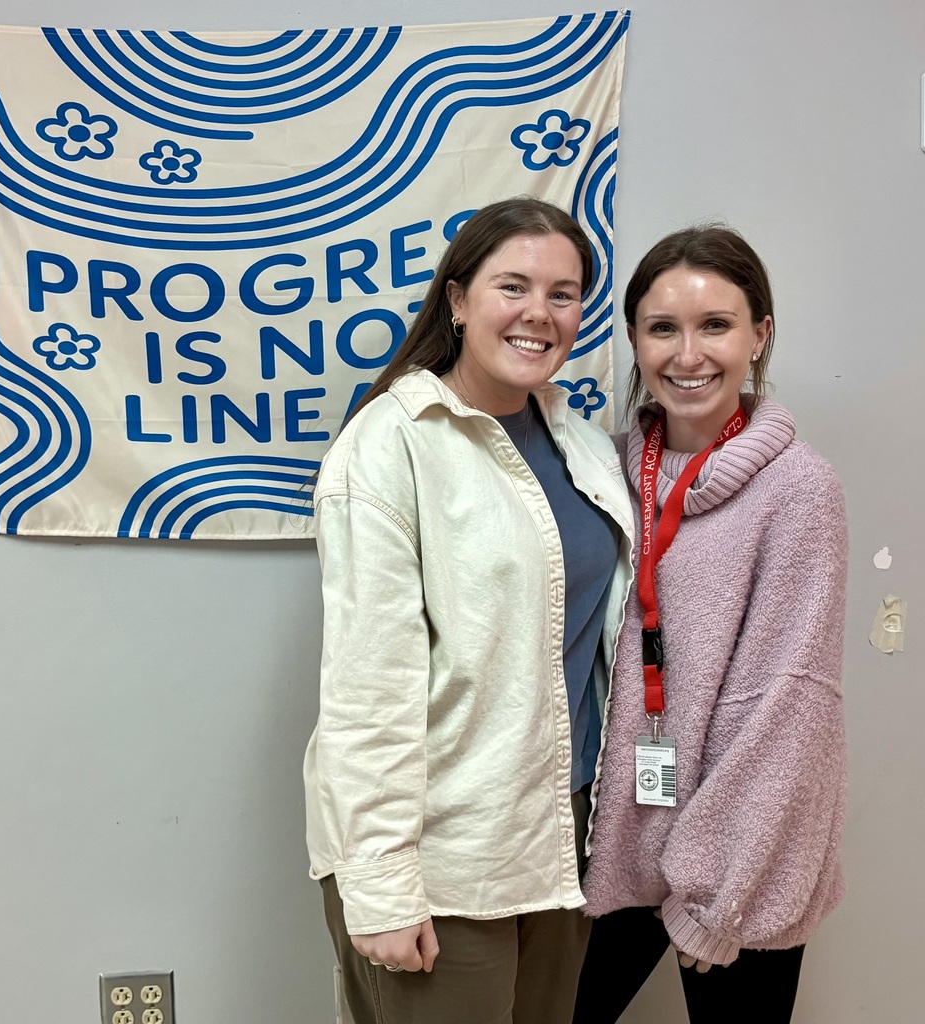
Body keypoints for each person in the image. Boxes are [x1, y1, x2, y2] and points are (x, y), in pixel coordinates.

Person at [303, 197, 635, 1024]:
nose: (539, 313)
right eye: (512, 286)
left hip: (563, 833)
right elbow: (366, 683)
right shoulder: (391, 445)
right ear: (457, 300)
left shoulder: (581, 443)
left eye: (563, 294)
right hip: (446, 852)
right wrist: (379, 881)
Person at [574, 226, 848, 1024]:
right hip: (617, 838)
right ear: (633, 337)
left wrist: (720, 889)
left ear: (759, 335)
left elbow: (790, 704)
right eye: (663, 328)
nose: (687, 354)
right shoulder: (602, 471)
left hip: (738, 861)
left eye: (716, 325)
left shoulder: (797, 489)